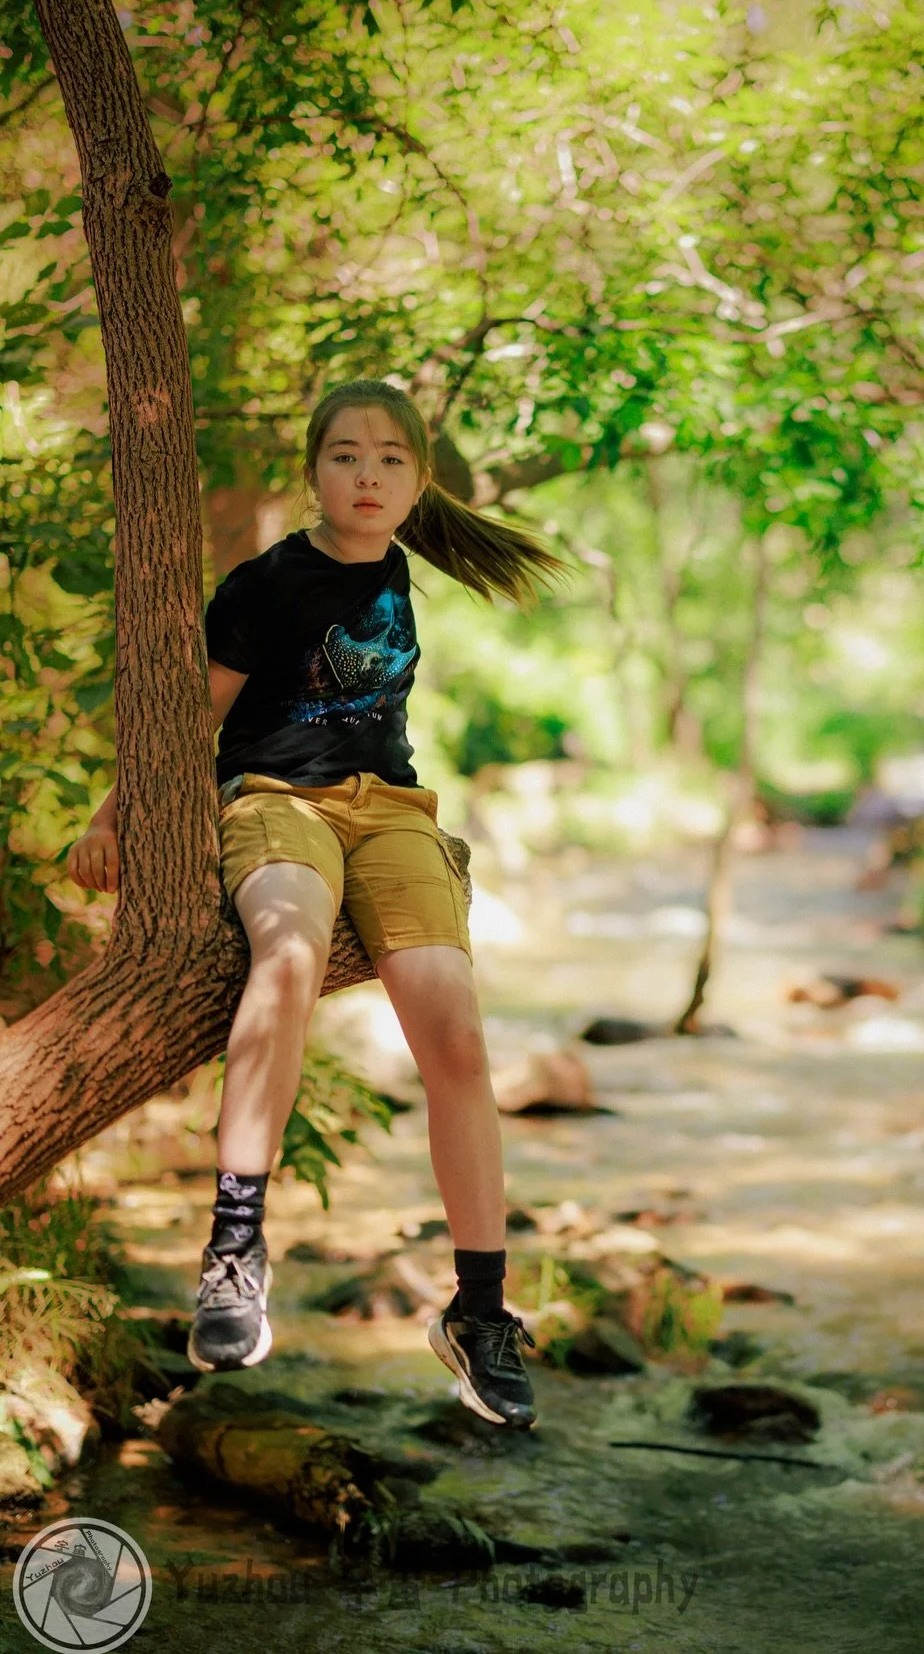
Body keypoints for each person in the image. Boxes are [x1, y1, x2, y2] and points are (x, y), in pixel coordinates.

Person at [66, 380, 565, 1430]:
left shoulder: (399, 576)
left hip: (392, 815)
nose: (368, 475)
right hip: (275, 803)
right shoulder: (263, 583)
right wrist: (113, 815)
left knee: (457, 1033)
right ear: (314, 472)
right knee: (285, 955)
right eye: (346, 456)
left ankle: (479, 1314)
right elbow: (188, 721)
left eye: (390, 458)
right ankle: (235, 1251)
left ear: (418, 479)